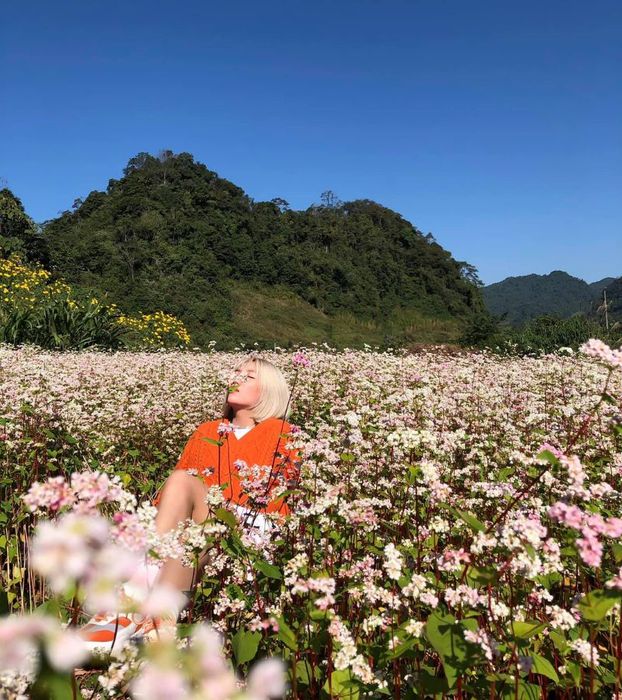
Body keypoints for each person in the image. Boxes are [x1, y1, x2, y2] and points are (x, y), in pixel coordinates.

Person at [80, 355, 301, 650]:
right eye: (236, 371)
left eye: (249, 376)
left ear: (269, 392)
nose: (236, 377)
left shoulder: (282, 434)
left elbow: (282, 507)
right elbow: (171, 502)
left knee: (183, 481)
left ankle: (126, 611)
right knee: (180, 496)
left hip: (248, 536)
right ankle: (154, 626)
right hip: (195, 533)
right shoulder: (207, 431)